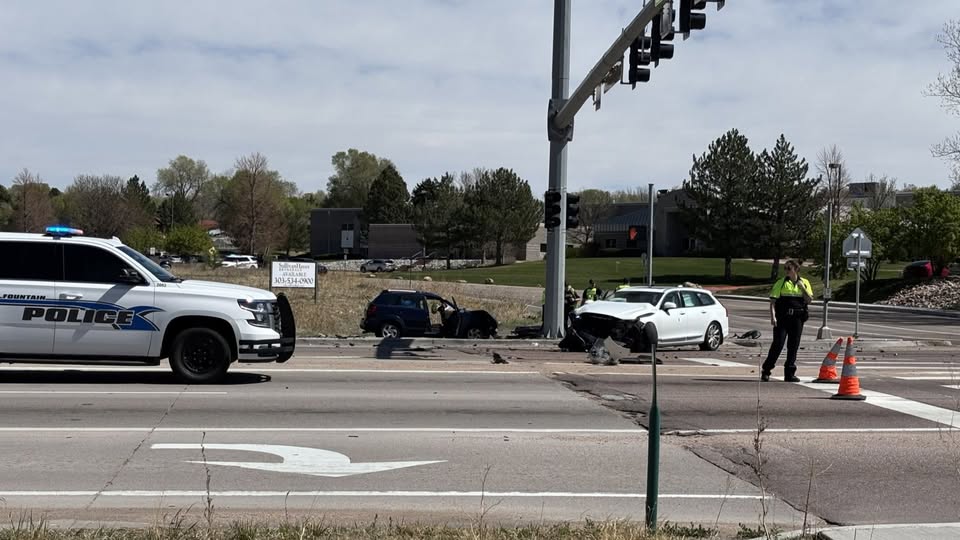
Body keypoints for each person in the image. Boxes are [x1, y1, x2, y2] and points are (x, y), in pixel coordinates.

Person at [761, 260, 813, 382]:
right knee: (778, 344)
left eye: (789, 269)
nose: (787, 271)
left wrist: (802, 288)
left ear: (796, 269)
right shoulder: (781, 282)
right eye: (786, 269)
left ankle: (789, 373)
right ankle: (766, 370)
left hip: (797, 319)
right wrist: (773, 317)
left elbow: (809, 300)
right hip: (783, 318)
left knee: (793, 346)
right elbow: (772, 302)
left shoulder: (805, 282)